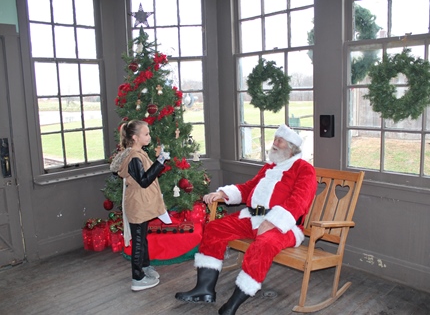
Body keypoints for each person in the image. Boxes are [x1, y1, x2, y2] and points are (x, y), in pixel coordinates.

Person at [175, 124, 317, 315]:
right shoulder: (270, 167)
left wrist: (273, 222)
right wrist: (223, 194)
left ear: (291, 147)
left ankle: (232, 304)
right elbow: (249, 188)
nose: (274, 144)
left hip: (285, 226)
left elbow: (299, 201)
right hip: (254, 217)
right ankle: (204, 290)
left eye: (279, 141)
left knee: (263, 245)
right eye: (274, 139)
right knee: (215, 228)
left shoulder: (304, 169)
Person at [110, 120, 170, 292]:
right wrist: (160, 162)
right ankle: (137, 278)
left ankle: (145, 266)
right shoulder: (134, 157)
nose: (149, 136)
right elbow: (144, 181)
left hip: (141, 203)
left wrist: (158, 162)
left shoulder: (138, 153)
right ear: (135, 137)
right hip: (137, 204)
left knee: (142, 238)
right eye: (146, 134)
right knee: (138, 241)